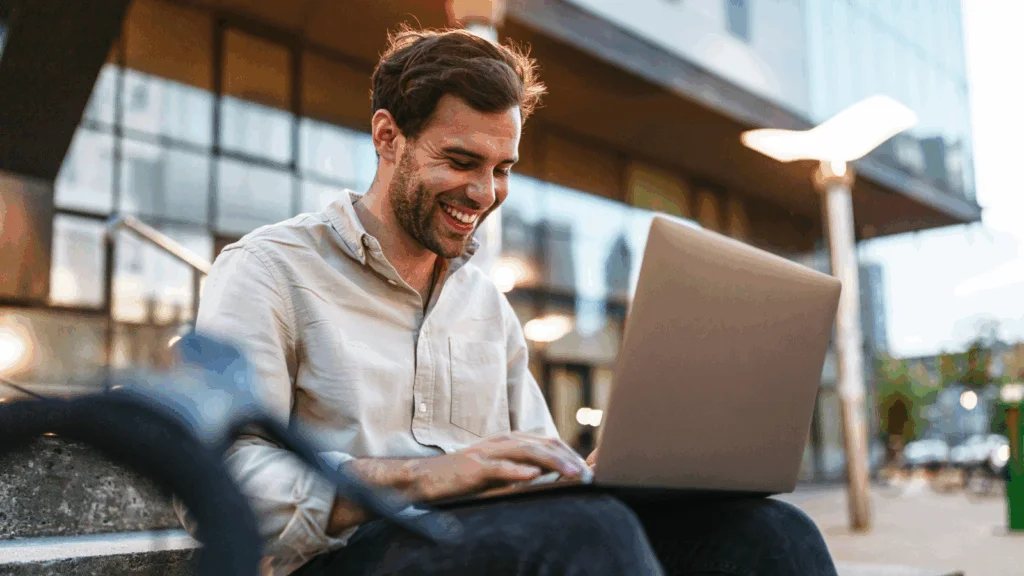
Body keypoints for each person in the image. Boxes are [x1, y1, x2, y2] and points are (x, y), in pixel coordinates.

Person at [189, 25, 838, 576]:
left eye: (502, 169)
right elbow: (211, 480)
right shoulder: (269, 271)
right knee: (590, 535)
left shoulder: (483, 305)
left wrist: (575, 470)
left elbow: (536, 469)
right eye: (461, 161)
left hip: (491, 543)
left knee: (770, 533)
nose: (484, 192)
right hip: (344, 557)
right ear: (388, 138)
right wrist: (418, 477)